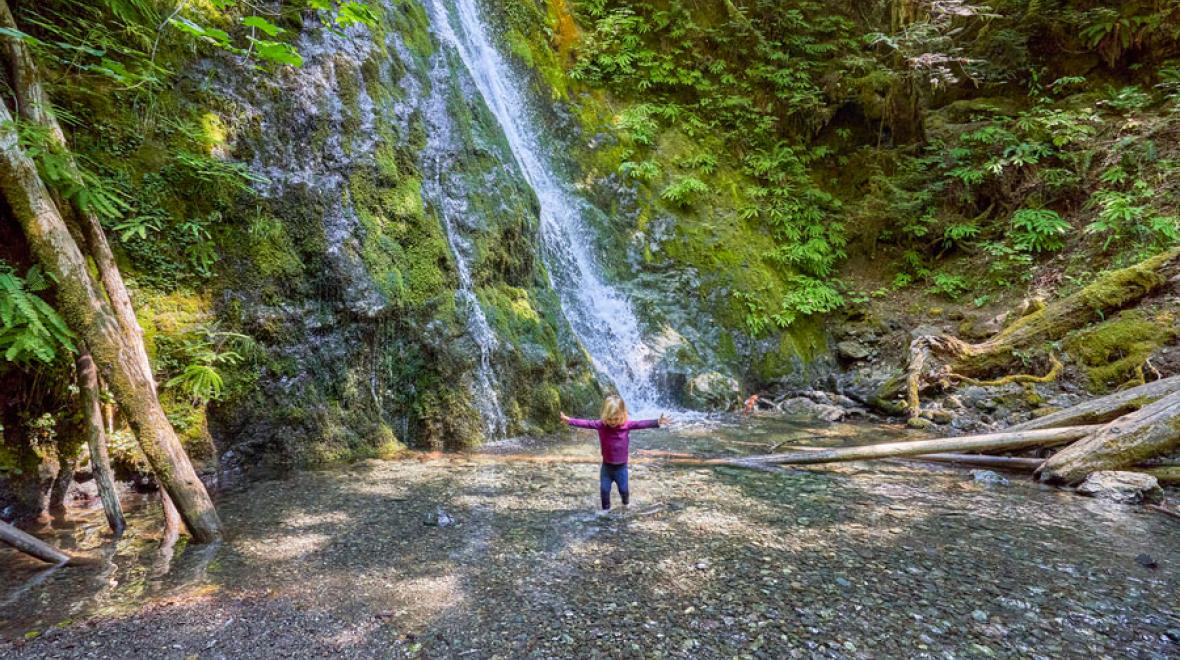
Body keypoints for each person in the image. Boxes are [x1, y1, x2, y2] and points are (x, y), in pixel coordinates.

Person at [561, 395, 670, 512]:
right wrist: (569, 420)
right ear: (605, 416)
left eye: (616, 419)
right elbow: (586, 423)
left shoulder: (626, 425)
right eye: (610, 419)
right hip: (606, 468)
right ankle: (605, 512)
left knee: (623, 490)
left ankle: (626, 505)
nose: (613, 422)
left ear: (622, 415)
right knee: (604, 490)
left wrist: (657, 422)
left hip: (621, 468)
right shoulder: (601, 425)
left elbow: (641, 424)